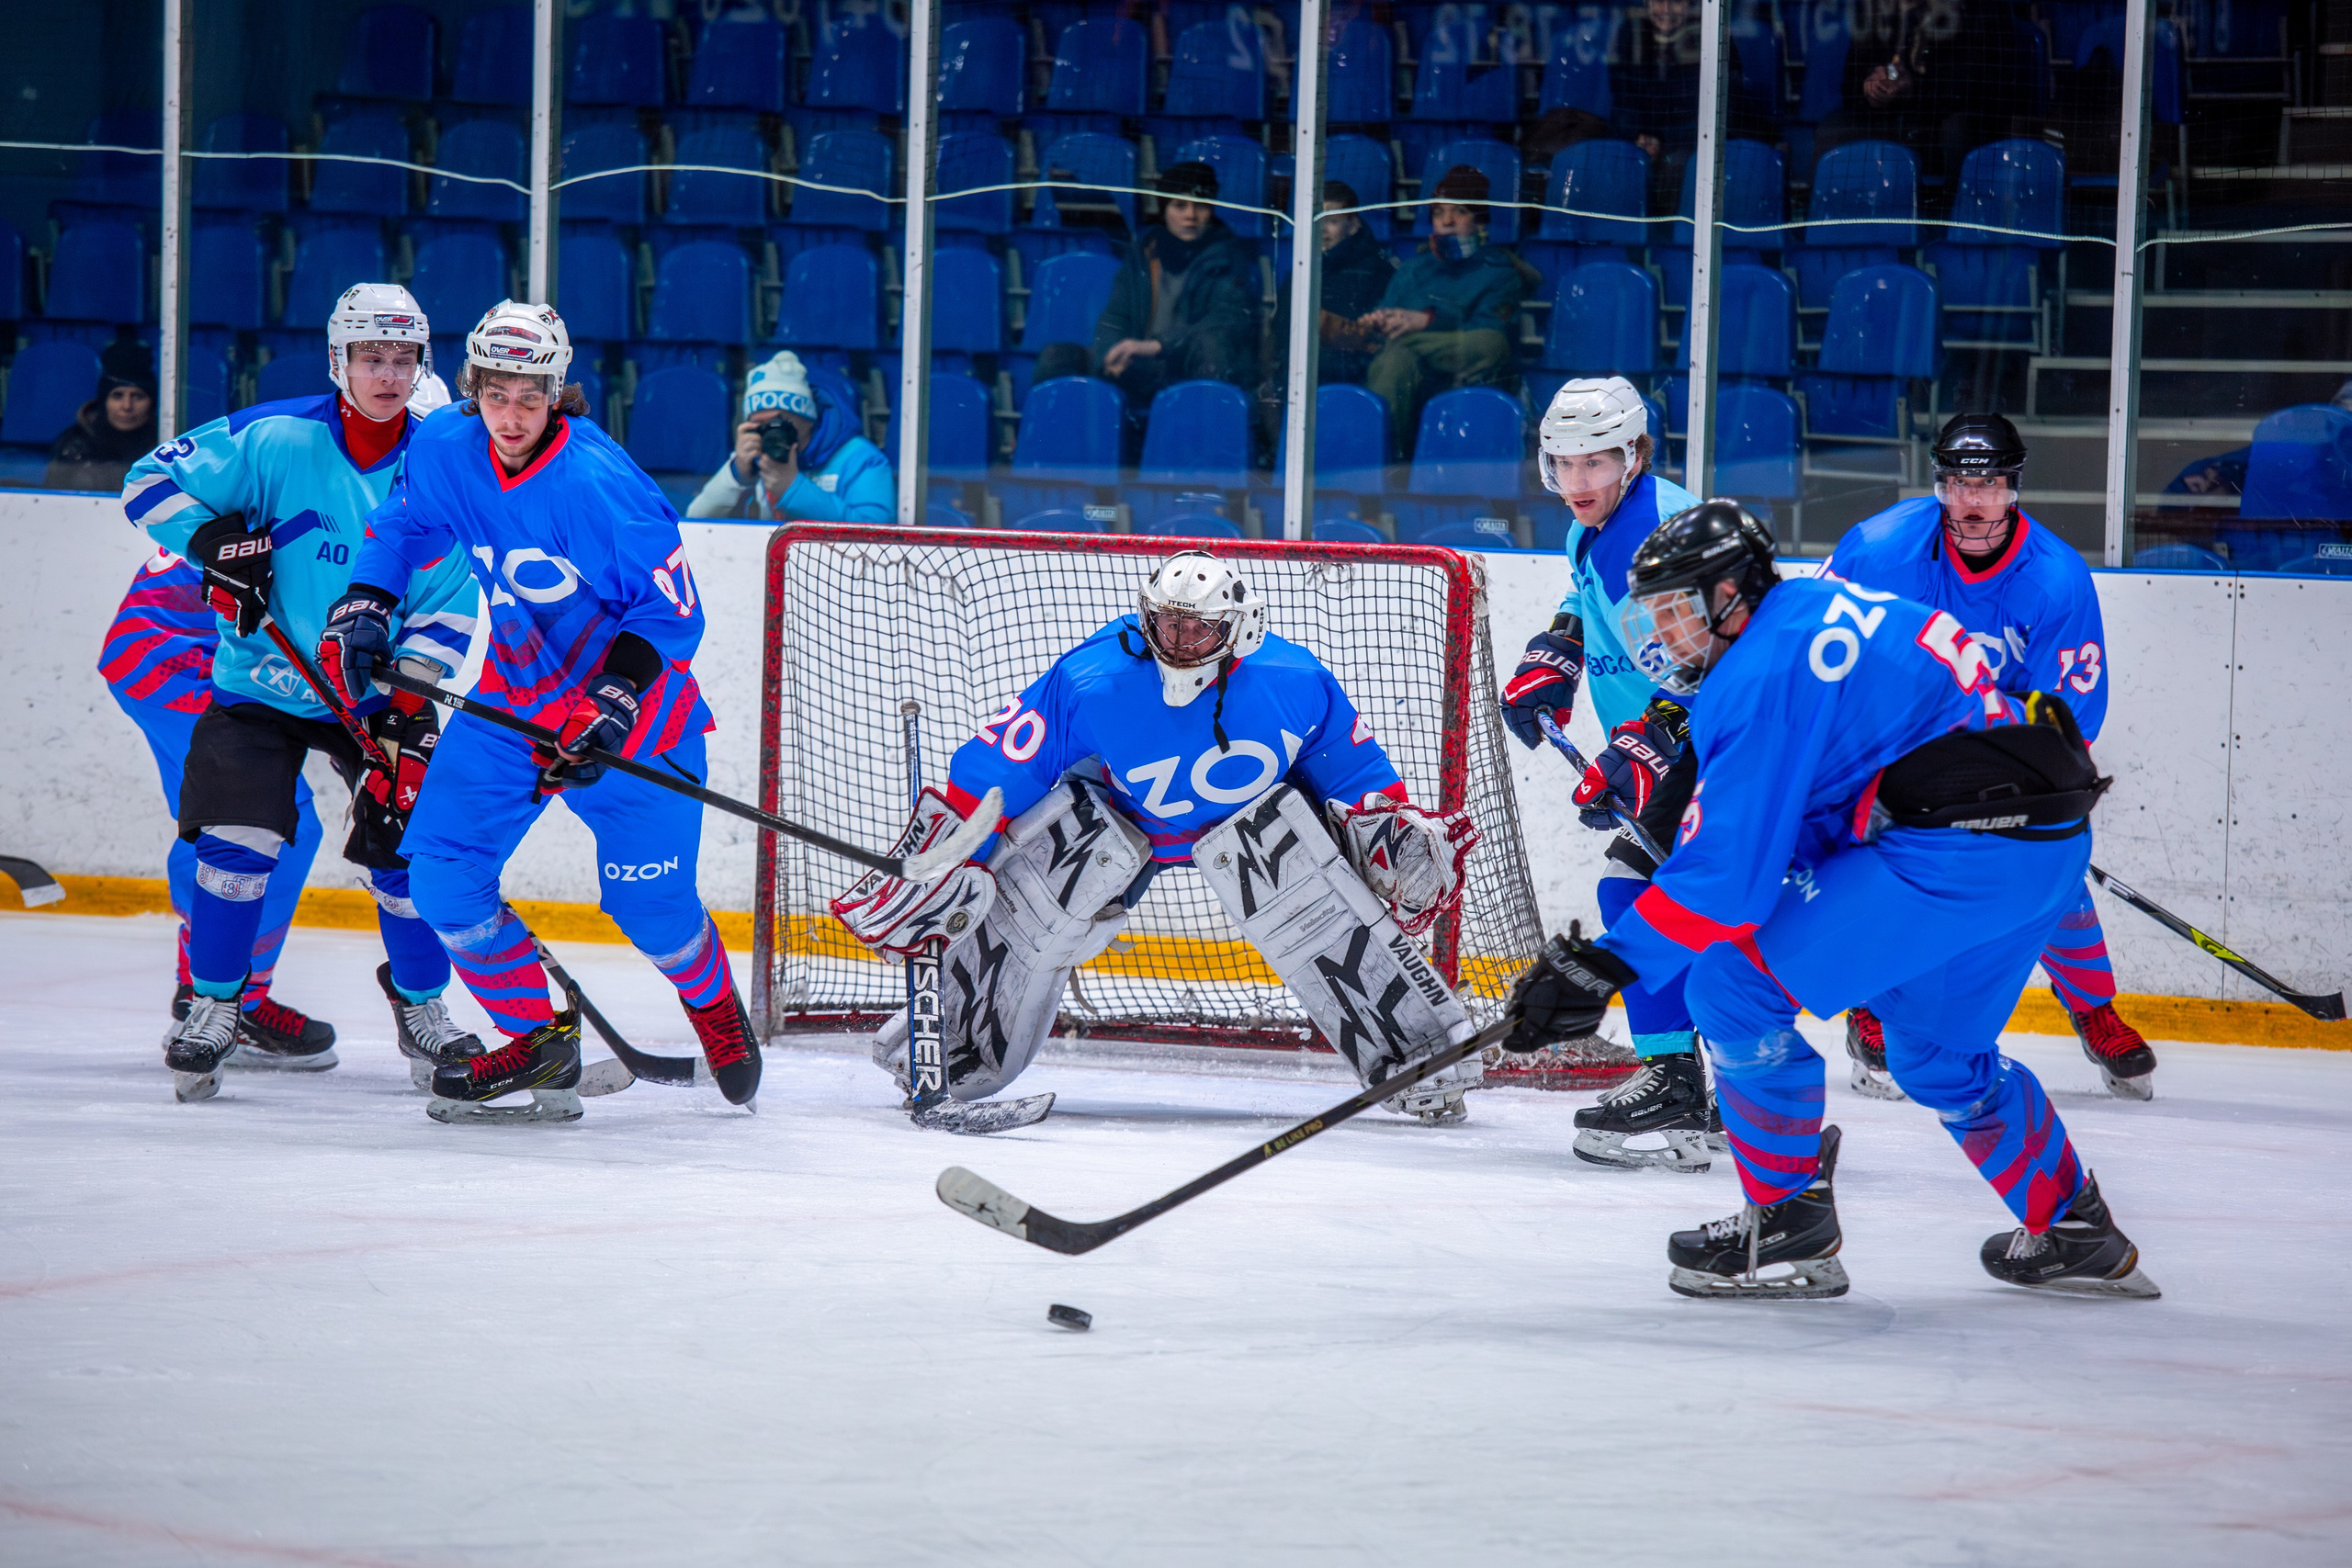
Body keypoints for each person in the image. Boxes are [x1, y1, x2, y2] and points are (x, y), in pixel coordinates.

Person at [1498, 499, 2159, 1301]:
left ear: (1730, 594)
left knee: (1729, 988)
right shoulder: (1804, 613)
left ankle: (1786, 1224)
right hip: (2042, 848)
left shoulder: (1760, 671)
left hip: (1951, 849)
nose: (1661, 634)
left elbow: (1728, 887)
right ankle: (2073, 1226)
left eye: (1674, 609)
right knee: (1938, 1055)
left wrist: (1604, 967)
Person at [830, 549, 1488, 1124]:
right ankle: (944, 1047)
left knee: (1305, 884)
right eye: (1168, 621)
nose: (1179, 639)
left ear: (1237, 626)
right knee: (1043, 883)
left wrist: (1392, 837)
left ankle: (1422, 1055)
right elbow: (999, 770)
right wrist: (944, 859)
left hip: (1256, 830)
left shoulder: (1296, 682)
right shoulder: (1095, 679)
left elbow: (1356, 777)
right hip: (1119, 821)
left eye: (1198, 625)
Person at [325, 300, 761, 1122]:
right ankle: (539, 1042)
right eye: (498, 394)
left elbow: (672, 615)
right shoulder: (447, 446)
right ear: (472, 389)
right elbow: (404, 524)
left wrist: (615, 697)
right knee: (443, 876)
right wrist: (368, 598)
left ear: (557, 393)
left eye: (531, 395)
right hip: (511, 709)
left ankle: (712, 1006)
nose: (513, 413)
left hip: (639, 723)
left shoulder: (601, 484)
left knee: (652, 911)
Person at [125, 282, 481, 1104]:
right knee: (237, 849)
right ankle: (216, 1006)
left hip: (375, 698)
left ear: (422, 366)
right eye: (370, 356)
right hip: (259, 684)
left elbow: (450, 601)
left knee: (405, 851)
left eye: (403, 359)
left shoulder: (439, 466)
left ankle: (423, 1008)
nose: (387, 374)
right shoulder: (272, 435)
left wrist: (406, 686)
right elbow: (146, 484)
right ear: (338, 360)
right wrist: (212, 538)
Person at [1826, 412, 2155, 1100]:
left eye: (1991, 485)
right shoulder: (1878, 548)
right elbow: (1820, 652)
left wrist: (1993, 793)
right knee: (1864, 864)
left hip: (1997, 764)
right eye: (1958, 484)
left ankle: (2094, 1008)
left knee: (2049, 865)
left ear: (2014, 490)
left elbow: (2062, 723)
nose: (1973, 502)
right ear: (1940, 487)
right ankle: (1868, 1003)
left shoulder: (2056, 580)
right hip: (1884, 749)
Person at [1491, 380, 1707, 1125]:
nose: (1577, 483)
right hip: (1682, 741)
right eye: (1563, 464)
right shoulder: (1597, 526)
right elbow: (1587, 596)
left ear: (1633, 455)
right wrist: (1560, 650)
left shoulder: (1658, 538)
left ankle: (1678, 1079)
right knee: (1671, 902)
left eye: (1596, 463)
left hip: (1716, 743)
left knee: (1637, 895)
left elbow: (1715, 660)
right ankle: (1699, 1081)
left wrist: (1655, 740)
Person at [99, 544, 329, 1042]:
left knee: (219, 822)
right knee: (265, 824)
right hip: (181, 661)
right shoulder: (347, 485)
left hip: (178, 650)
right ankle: (228, 1001)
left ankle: (207, 991)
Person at [1361, 166, 1532, 455]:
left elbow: (1491, 338)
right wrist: (1379, 322)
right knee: (1395, 359)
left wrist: (1426, 321)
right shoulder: (1413, 269)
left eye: (1460, 212)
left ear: (1480, 222)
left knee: (1491, 343)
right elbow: (1386, 317)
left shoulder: (1499, 270)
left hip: (1464, 365)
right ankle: (1387, 463)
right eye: (1439, 213)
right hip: (1409, 369)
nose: (1447, 222)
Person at [1093, 162, 1261, 415]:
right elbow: (1116, 315)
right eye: (1180, 205)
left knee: (1211, 344)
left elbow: (1225, 321)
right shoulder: (1143, 253)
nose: (1190, 216)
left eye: (1201, 206)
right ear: (1165, 209)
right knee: (1059, 356)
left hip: (1190, 366)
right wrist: (1109, 354)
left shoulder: (1229, 257)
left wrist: (1158, 346)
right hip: (1145, 367)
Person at [686, 350, 892, 524]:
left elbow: (875, 533)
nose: (770, 432)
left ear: (808, 418)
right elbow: (696, 520)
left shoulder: (860, 458)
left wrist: (792, 488)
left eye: (779, 421)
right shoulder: (756, 454)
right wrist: (737, 474)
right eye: (760, 424)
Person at [1263, 181, 1397, 392]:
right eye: (1316, 221)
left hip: (1349, 382)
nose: (1322, 230)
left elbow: (1369, 343)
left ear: (1354, 225)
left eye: (1332, 221)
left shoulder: (1378, 273)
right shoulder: (1300, 272)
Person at [48, 340, 160, 492]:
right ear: (103, 402)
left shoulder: (164, 444)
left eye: (138, 396)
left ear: (152, 404)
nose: (127, 406)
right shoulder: (73, 444)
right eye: (117, 396)